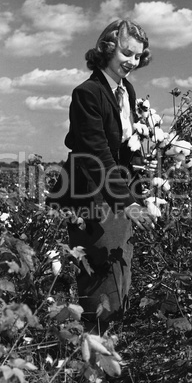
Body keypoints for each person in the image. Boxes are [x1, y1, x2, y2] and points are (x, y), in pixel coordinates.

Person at [46, 19, 156, 333]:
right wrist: (127, 201)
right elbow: (96, 154)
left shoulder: (126, 90)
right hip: (91, 191)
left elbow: (128, 145)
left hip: (118, 187)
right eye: (127, 52)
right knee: (99, 262)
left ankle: (113, 334)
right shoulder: (87, 93)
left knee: (122, 259)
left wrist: (141, 185)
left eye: (138, 56)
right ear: (107, 48)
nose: (133, 61)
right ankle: (94, 344)